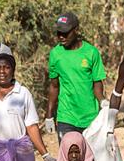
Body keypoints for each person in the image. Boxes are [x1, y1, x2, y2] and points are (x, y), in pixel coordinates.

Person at [45, 12, 107, 140]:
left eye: (65, 33)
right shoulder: (56, 54)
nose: (61, 37)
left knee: (90, 158)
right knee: (69, 157)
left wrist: (103, 102)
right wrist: (49, 115)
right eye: (58, 33)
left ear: (76, 30)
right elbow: (54, 86)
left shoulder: (91, 52)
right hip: (66, 117)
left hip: (91, 118)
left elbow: (97, 83)